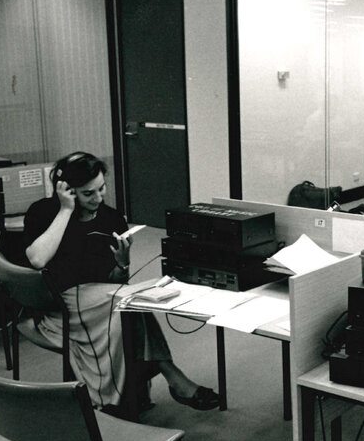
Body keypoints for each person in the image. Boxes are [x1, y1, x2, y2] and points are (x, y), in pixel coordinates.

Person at [22, 151, 219, 413]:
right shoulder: (44, 212)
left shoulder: (111, 218)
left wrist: (122, 262)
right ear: (66, 189)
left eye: (101, 189)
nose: (98, 198)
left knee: (130, 303)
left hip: (103, 301)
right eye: (88, 193)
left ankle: (115, 400)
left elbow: (116, 281)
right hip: (59, 304)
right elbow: (37, 259)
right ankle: (168, 377)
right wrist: (66, 210)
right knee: (125, 303)